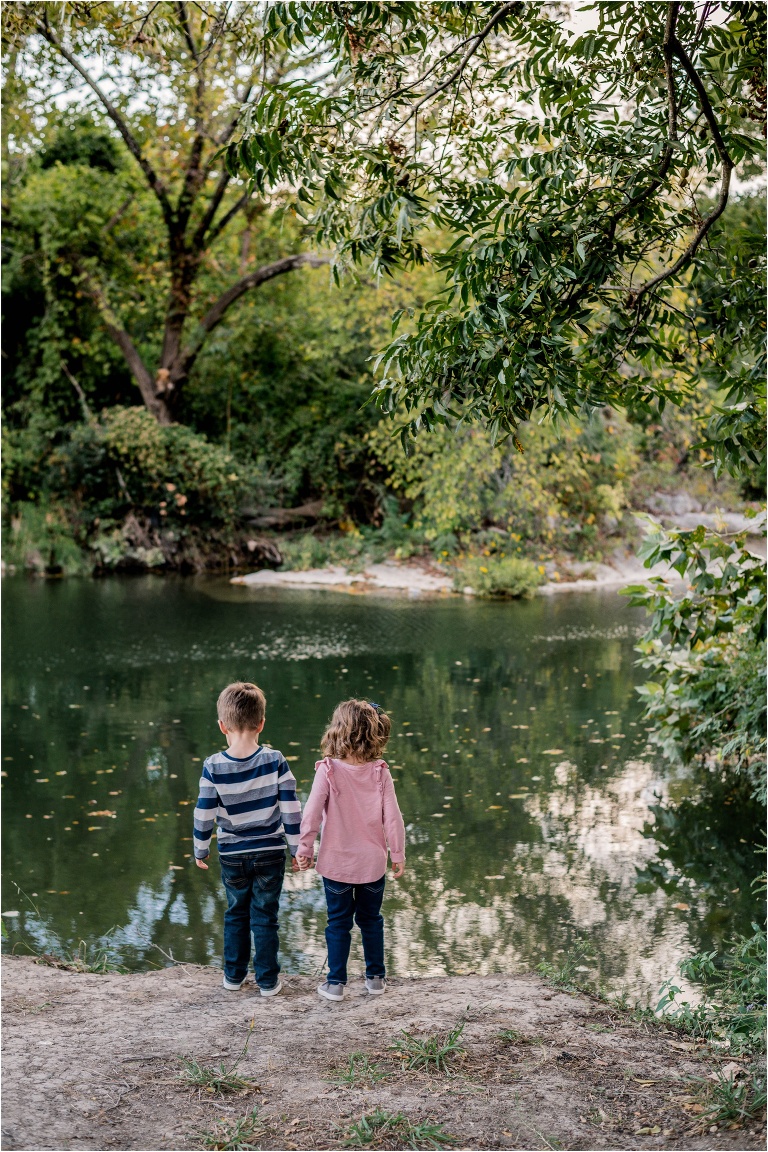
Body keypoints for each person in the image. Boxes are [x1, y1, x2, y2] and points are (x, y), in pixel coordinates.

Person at [193, 681, 301, 997]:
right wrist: (297, 849)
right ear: (262, 723)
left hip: (232, 854)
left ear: (222, 726)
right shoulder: (275, 760)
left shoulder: (213, 766)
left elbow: (204, 811)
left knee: (236, 913)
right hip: (270, 851)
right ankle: (267, 982)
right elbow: (291, 808)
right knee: (265, 915)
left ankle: (233, 976)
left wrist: (200, 846)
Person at [296, 698, 406, 1001]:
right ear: (372, 733)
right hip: (372, 865)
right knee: (371, 920)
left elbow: (312, 812)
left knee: (338, 923)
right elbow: (393, 818)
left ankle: (335, 983)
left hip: (336, 865)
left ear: (337, 731)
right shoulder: (380, 771)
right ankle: (375, 979)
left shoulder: (328, 770)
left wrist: (304, 847)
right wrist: (397, 854)